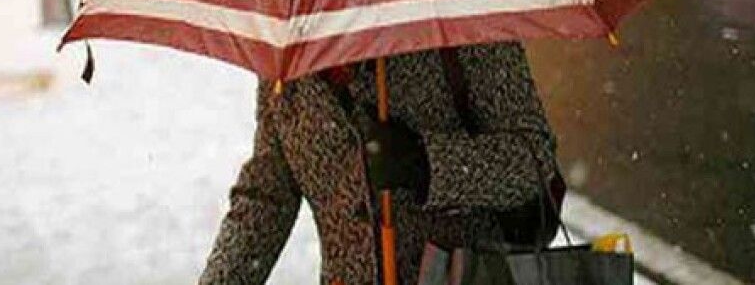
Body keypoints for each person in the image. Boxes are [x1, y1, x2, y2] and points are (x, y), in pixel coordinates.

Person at [199, 42, 562, 285]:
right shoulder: (284, 60)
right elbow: (267, 198)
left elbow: (534, 157)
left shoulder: (459, 19)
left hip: (466, 274)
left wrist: (425, 163)